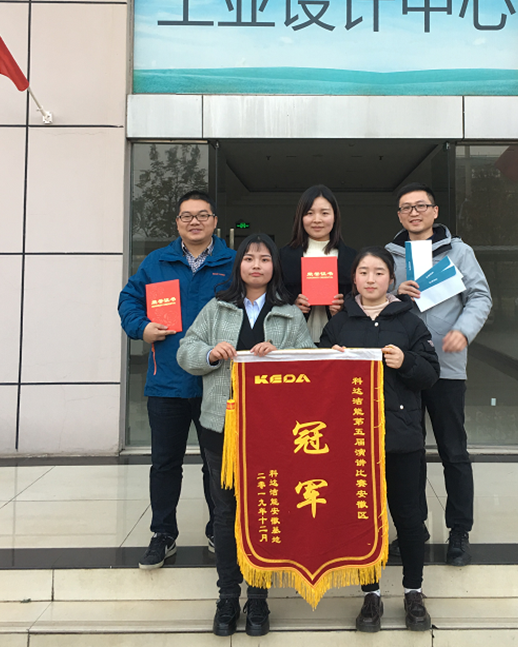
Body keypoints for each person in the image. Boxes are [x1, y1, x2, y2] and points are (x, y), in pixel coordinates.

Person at [177, 233, 315, 638]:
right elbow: (186, 351)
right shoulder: (218, 308)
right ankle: (227, 597)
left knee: (264, 509)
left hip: (271, 431)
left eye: (265, 259)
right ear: (239, 265)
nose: (257, 265)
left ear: (275, 267)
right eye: (249, 259)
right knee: (225, 512)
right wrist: (209, 354)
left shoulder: (289, 314)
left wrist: (281, 357)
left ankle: (258, 598)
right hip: (221, 427)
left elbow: (309, 365)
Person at [319, 246, 439, 633]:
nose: (371, 279)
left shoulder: (410, 320)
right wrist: (331, 361)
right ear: (353, 278)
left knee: (409, 516)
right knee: (364, 518)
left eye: (379, 272)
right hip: (354, 440)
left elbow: (431, 374)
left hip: (401, 437)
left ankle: (413, 591)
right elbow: (317, 380)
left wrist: (406, 361)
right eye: (363, 272)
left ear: (391, 278)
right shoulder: (339, 323)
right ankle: (370, 593)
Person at [118, 190, 234, 569]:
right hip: (167, 381)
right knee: (165, 463)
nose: (194, 222)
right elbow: (128, 300)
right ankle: (163, 533)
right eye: (187, 216)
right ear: (178, 223)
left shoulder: (233, 263)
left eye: (202, 215)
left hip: (217, 383)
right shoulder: (157, 262)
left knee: (217, 464)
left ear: (215, 221)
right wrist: (142, 327)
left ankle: (219, 529)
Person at [385, 182, 492, 567]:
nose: (414, 213)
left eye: (421, 206)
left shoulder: (459, 252)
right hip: (405, 368)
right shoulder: (389, 257)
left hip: (447, 367)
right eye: (406, 208)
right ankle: (414, 528)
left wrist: (464, 330)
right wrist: (394, 293)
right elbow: (372, 300)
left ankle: (459, 531)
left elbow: (480, 296)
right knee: (408, 453)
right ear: (399, 216)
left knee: (453, 450)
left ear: (434, 211)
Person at [279, 185, 357, 343]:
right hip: (294, 340)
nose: (317, 220)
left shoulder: (351, 257)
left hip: (340, 340)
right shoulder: (283, 256)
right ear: (300, 217)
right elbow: (273, 296)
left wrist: (344, 308)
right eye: (309, 213)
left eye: (324, 213)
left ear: (335, 216)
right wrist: (292, 306)